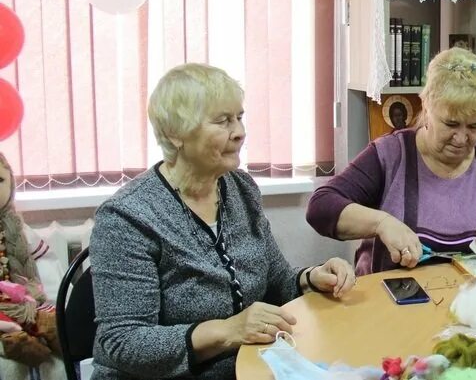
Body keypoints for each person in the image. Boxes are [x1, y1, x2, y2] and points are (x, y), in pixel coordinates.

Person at [89, 64, 356, 379]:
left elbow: (276, 280)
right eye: (223, 121)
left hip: (249, 366)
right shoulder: (127, 218)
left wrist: (311, 278)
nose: (240, 131)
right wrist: (228, 330)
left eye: (239, 117)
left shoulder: (240, 188)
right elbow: (122, 342)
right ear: (176, 134)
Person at [307, 48, 476, 275]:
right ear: (426, 107)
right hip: (392, 308)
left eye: (474, 126)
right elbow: (321, 206)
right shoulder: (389, 155)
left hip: (474, 307)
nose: (461, 138)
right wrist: (381, 223)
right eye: (451, 124)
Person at [0, 153, 63, 377]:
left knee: (58, 334)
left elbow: (47, 274)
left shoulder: (20, 232)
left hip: (26, 303)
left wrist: (56, 305)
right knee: (10, 369)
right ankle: (15, 338)